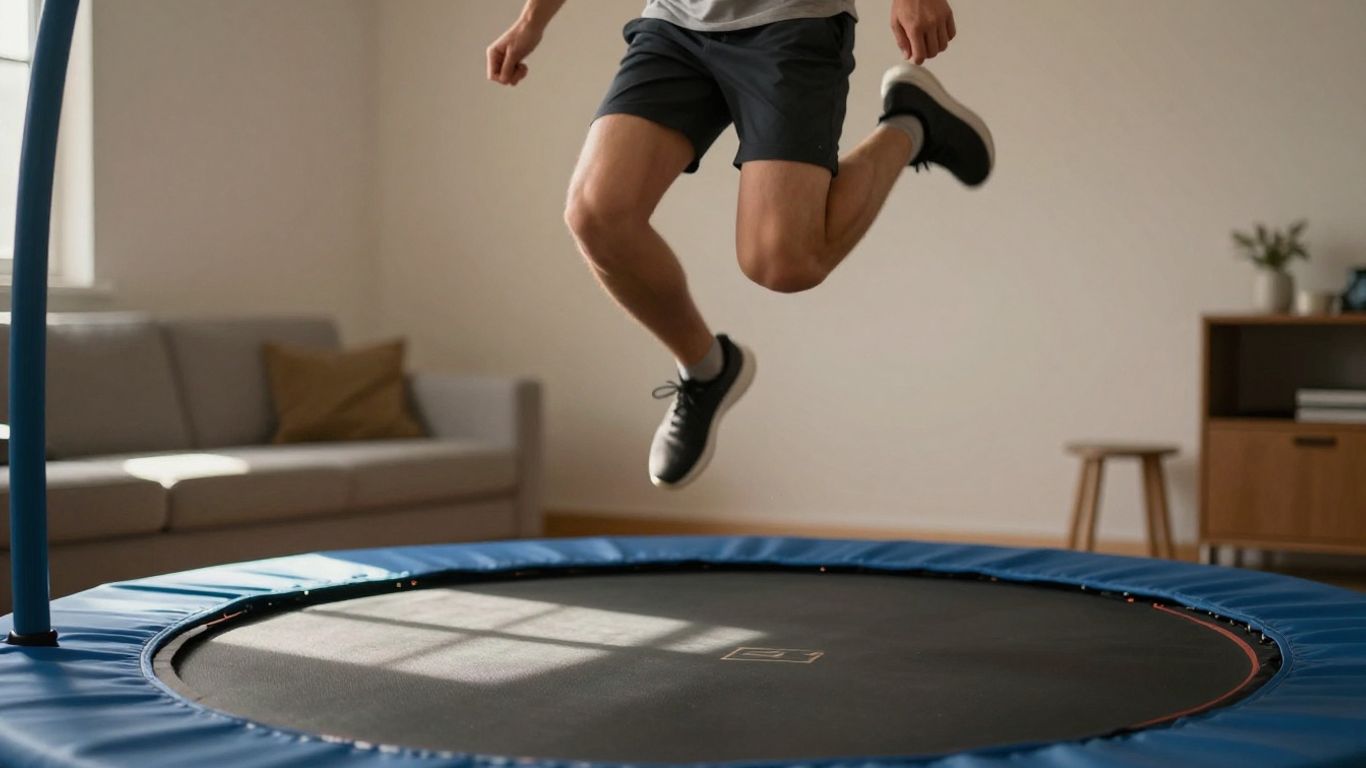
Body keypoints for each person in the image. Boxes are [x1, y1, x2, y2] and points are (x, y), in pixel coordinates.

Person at [488, 0, 993, 489]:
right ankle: (707, 371)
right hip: (675, 24)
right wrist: (531, 20)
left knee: (783, 263)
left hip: (792, 21)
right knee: (595, 215)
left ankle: (911, 124)